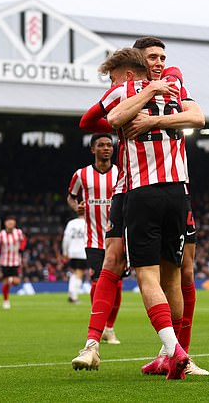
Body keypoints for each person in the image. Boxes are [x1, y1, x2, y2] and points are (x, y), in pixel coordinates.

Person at [75, 39, 208, 376]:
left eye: (163, 57)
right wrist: (122, 121)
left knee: (175, 273)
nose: (161, 63)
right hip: (135, 188)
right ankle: (94, 344)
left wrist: (150, 121)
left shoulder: (171, 82)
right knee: (115, 260)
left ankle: (176, 352)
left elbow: (198, 116)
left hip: (160, 190)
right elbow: (97, 120)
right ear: (138, 62)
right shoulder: (128, 88)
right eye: (153, 57)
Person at [67, 133, 121, 344]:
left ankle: (110, 328)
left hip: (117, 238)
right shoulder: (81, 175)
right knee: (98, 282)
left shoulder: (120, 173)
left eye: (109, 145)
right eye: (101, 145)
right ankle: (99, 325)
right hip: (94, 239)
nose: (106, 148)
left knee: (116, 285)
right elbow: (71, 196)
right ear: (93, 149)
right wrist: (76, 206)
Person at [0, 215, 26, 309]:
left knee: (16, 282)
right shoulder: (0, 234)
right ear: (5, 223)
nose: (10, 223)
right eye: (9, 221)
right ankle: (6, 301)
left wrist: (21, 249)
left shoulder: (18, 232)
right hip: (4, 261)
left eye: (12, 221)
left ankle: (10, 280)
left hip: (16, 261)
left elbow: (23, 241)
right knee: (5, 283)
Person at [62, 213, 87, 303]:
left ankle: (71, 293)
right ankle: (73, 296)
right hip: (83, 251)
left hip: (72, 251)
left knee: (74, 272)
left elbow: (66, 238)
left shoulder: (71, 223)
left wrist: (65, 252)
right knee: (79, 273)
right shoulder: (87, 223)